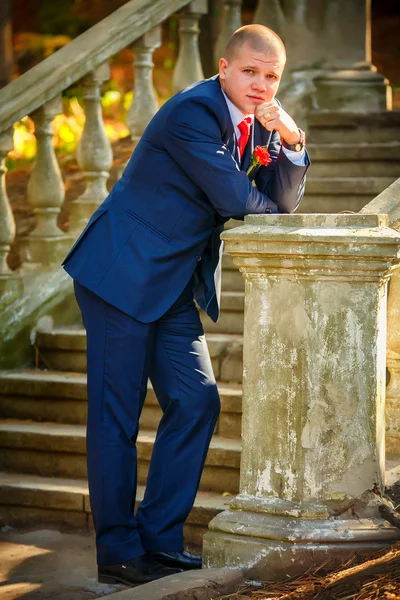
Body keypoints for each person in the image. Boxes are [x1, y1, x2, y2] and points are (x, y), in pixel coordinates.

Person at [62, 24, 310, 587]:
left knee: (197, 401)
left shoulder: (260, 122)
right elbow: (239, 200)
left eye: (272, 77)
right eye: (250, 72)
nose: (261, 84)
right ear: (223, 67)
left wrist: (291, 141)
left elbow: (282, 197)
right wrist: (277, 217)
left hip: (173, 283)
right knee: (116, 417)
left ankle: (160, 540)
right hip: (119, 273)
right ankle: (119, 551)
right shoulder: (191, 113)